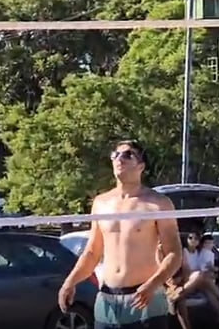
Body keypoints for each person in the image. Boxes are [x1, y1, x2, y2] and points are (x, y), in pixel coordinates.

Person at [58, 140, 182, 329]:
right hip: (107, 301)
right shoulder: (101, 203)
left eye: (128, 155)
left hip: (145, 299)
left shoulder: (158, 203)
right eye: (115, 155)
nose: (119, 159)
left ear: (141, 166)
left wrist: (153, 284)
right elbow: (92, 252)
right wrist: (70, 282)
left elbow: (174, 254)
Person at [175, 232, 219, 324]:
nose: (193, 240)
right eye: (190, 238)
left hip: (199, 282)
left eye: (196, 238)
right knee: (202, 277)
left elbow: (207, 265)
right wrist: (201, 272)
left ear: (199, 242)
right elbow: (186, 271)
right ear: (187, 240)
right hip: (188, 282)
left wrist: (211, 271)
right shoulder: (184, 251)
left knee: (208, 291)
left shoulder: (199, 252)